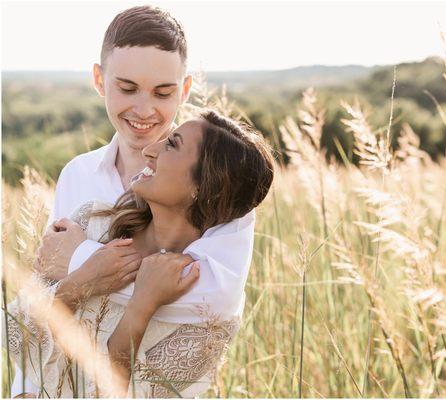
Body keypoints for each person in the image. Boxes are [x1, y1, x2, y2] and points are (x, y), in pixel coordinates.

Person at [8, 5, 256, 398]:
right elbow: (45, 290)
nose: (144, 110)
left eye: (163, 92)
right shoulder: (78, 175)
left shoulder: (218, 184)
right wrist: (27, 388)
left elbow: (212, 296)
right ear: (99, 80)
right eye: (127, 88)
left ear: (185, 89)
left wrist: (80, 258)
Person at [4, 109, 275, 397]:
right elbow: (13, 335)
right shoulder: (90, 223)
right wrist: (81, 281)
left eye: (171, 145)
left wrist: (141, 308)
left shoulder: (209, 318)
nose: (149, 150)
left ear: (205, 187)